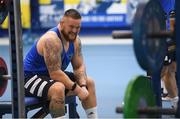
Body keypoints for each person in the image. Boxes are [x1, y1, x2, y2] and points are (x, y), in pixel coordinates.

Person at [24, 9, 98, 118]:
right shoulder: (51, 40)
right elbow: (55, 74)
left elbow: (78, 67)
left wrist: (82, 85)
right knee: (58, 88)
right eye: (71, 27)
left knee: (89, 83)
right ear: (62, 23)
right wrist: (78, 90)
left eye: (77, 28)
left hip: (50, 77)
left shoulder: (75, 40)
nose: (74, 31)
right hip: (29, 79)